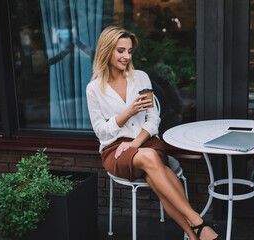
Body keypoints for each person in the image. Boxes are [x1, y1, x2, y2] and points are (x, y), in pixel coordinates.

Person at [86, 26, 218, 240]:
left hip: (146, 141)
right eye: (121, 51)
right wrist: (127, 113)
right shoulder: (94, 89)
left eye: (129, 51)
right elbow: (101, 132)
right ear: (107, 50)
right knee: (153, 164)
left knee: (156, 176)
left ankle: (194, 236)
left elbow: (153, 119)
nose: (126, 56)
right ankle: (198, 223)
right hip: (115, 149)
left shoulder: (140, 78)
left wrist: (136, 143)